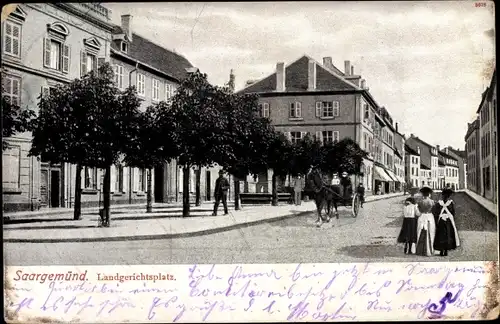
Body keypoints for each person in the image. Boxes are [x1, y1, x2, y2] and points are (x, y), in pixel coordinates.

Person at [433, 188, 460, 256]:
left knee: (441, 235)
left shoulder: (439, 203)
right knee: (448, 234)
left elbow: (436, 213)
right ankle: (446, 250)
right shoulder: (450, 203)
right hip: (448, 221)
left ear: (442, 195)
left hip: (441, 220)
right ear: (448, 196)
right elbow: (453, 213)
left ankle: (441, 250)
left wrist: (439, 217)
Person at [415, 186, 437, 256]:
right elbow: (434, 211)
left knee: (421, 231)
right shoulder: (432, 202)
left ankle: (420, 250)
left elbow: (418, 213)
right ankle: (430, 249)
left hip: (422, 217)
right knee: (431, 232)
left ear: (423, 194)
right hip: (430, 217)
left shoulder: (420, 202)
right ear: (429, 194)